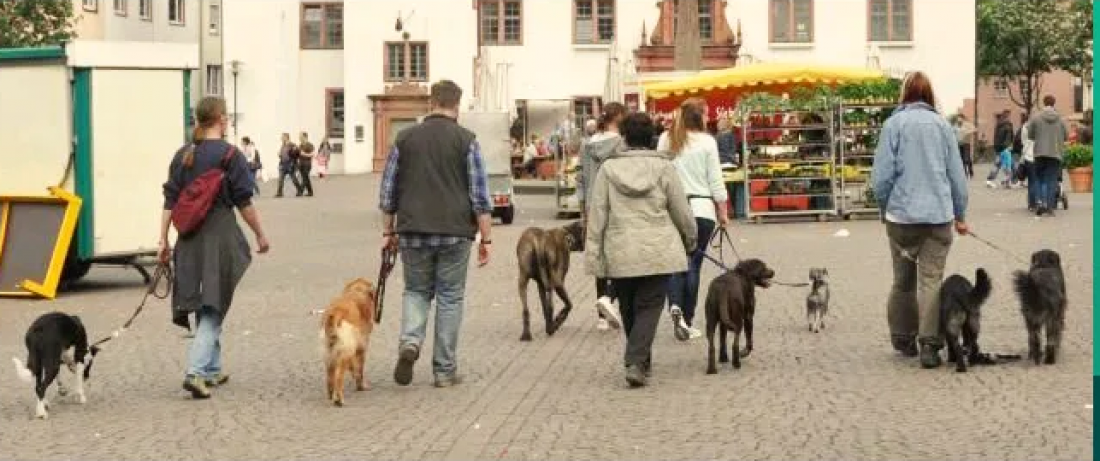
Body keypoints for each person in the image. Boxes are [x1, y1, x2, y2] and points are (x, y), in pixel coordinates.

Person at [378, 80, 492, 388]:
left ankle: (410, 342)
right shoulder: (467, 140)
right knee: (450, 298)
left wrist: (388, 230)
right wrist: (487, 238)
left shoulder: (404, 138)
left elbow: (388, 190)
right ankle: (444, 370)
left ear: (431, 103)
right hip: (455, 232)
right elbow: (480, 194)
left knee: (416, 291)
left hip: (413, 228)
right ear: (457, 104)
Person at [160, 96, 271, 399]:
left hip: (188, 238)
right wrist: (260, 234)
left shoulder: (184, 154)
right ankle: (196, 372)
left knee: (206, 299)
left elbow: (170, 200)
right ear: (221, 119)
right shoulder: (230, 155)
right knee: (212, 305)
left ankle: (212, 368)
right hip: (219, 237)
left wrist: (162, 240)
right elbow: (244, 202)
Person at [585, 111, 697, 388]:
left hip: (620, 248)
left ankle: (639, 360)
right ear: (651, 138)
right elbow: (681, 210)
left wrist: (594, 255)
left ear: (624, 138)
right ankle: (636, 361)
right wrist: (690, 238)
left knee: (629, 306)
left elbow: (597, 214)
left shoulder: (608, 170)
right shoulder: (664, 169)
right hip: (657, 249)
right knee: (649, 306)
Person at [871, 71, 968, 370]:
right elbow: (956, 176)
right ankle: (929, 345)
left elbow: (882, 177)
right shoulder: (943, 126)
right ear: (929, 95)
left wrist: (884, 208)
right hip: (937, 217)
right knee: (931, 281)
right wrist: (960, 214)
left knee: (902, 281)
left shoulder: (893, 125)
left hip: (901, 217)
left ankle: (903, 337)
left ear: (904, 94)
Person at [657, 98, 729, 341]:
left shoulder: (666, 139)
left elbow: (658, 173)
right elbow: (715, 180)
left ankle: (674, 305)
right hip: (701, 209)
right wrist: (723, 211)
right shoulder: (708, 141)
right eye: (707, 113)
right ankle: (687, 318)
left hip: (672, 209)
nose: (709, 117)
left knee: (674, 263)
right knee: (693, 265)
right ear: (700, 116)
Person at [577, 101, 627, 332]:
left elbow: (581, 178)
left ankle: (601, 317)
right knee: (618, 255)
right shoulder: (620, 144)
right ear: (618, 117)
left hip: (592, 205)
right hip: (614, 204)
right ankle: (610, 299)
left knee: (599, 258)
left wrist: (583, 208)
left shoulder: (587, 145)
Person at [1027, 95, 1070, 216]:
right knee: (1051, 180)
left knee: (1039, 179)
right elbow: (1066, 136)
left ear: (1044, 103)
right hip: (1055, 154)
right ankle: (1050, 207)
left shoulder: (1036, 118)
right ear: (1054, 103)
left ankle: (1040, 203)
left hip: (1039, 153)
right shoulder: (1060, 119)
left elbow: (1030, 135)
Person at [986, 110, 1015, 188]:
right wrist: (1008, 146)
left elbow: (996, 137)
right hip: (1006, 148)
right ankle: (1007, 182)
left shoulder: (998, 124)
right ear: (1008, 116)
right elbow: (1008, 138)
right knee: (1007, 165)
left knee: (999, 164)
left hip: (999, 148)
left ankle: (990, 180)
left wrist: (997, 147)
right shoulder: (1008, 125)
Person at [276, 133, 302, 197]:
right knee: (280, 179)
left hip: (290, 164)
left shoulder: (292, 145)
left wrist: (294, 161)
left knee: (293, 179)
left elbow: (297, 154)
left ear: (286, 137)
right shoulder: (283, 145)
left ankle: (299, 191)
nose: (281, 138)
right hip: (283, 164)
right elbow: (283, 154)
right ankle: (280, 193)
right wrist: (280, 155)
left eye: (282, 137)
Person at [952, 114, 975, 178]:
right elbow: (952, 133)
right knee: (961, 159)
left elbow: (974, 129)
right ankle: (964, 174)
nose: (959, 119)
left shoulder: (967, 124)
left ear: (963, 118)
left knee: (967, 159)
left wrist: (968, 132)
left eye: (960, 118)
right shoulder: (955, 126)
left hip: (966, 143)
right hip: (958, 144)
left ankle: (971, 172)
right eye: (958, 118)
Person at [297, 132, 316, 197]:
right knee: (306, 178)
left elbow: (313, 154)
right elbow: (298, 154)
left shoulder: (310, 145)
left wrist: (304, 154)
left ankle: (300, 191)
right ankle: (310, 192)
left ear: (305, 137)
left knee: (305, 178)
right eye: (299, 137)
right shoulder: (300, 145)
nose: (299, 138)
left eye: (300, 136)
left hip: (307, 164)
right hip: (301, 164)